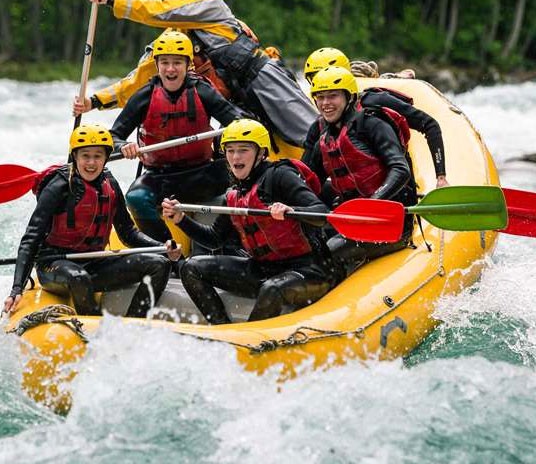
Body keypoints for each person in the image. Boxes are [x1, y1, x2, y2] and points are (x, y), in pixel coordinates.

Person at [84, 0, 318, 149]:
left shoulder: (211, 5)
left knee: (308, 131)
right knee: (256, 147)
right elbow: (140, 78)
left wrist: (111, 0)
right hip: (236, 101)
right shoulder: (172, 38)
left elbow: (157, 11)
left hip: (261, 77)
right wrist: (95, 101)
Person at [161, 119, 336, 325]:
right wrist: (181, 220)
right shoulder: (234, 193)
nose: (236, 157)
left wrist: (292, 210)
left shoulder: (280, 176)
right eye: (230, 150)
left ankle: (249, 345)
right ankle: (222, 330)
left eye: (243, 150)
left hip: (309, 271)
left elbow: (323, 214)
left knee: (273, 288)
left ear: (261, 153)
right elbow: (214, 239)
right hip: (262, 269)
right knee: (191, 267)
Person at [3, 124, 179, 317]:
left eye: (98, 156)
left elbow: (128, 233)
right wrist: (17, 287)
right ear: (75, 156)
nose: (91, 163)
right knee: (79, 278)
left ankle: (134, 324)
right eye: (85, 155)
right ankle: (94, 331)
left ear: (105, 158)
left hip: (94, 263)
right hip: (54, 263)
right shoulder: (59, 186)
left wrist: (162, 247)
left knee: (159, 264)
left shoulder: (110, 184)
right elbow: (31, 238)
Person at [109, 29, 244, 244]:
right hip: (160, 177)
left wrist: (233, 136)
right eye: (165, 62)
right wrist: (123, 145)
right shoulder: (144, 96)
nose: (170, 69)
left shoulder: (203, 92)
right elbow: (112, 138)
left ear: (188, 64)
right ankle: (166, 253)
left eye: (177, 63)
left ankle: (227, 247)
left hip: (203, 173)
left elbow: (239, 122)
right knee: (136, 198)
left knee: (241, 188)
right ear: (157, 64)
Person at [305, 66, 417, 276]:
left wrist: (373, 203)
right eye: (320, 97)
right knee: (310, 243)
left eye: (333, 96)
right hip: (353, 221)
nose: (325, 103)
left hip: (390, 224)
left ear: (349, 98)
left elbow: (400, 169)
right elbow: (310, 185)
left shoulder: (372, 123)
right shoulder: (324, 138)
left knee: (327, 252)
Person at [302, 47, 449, 188]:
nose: (322, 82)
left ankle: (395, 77)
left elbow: (429, 125)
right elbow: (306, 174)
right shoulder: (320, 126)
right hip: (352, 195)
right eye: (315, 79)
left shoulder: (375, 102)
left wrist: (441, 177)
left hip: (393, 190)